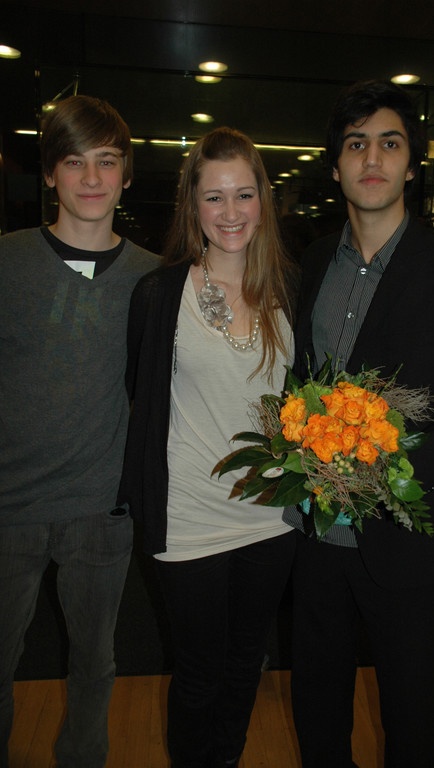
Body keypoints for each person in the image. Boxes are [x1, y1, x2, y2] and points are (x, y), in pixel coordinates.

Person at [282, 80, 434, 768]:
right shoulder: (313, 261)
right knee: (317, 710)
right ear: (335, 165)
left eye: (389, 143)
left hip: (407, 542)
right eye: (356, 144)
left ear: (411, 165)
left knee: (410, 722)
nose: (371, 158)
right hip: (314, 536)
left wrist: (382, 473)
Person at [118, 126, 296, 768]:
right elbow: (140, 393)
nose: (230, 212)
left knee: (247, 663)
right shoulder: (161, 294)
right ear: (192, 206)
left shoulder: (289, 291)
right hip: (190, 518)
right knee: (198, 673)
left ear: (263, 201)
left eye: (243, 194)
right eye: (213, 197)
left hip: (271, 519)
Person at [0, 95, 158, 768]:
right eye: (73, 162)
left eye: (107, 161)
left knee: (95, 663)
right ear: (49, 174)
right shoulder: (6, 263)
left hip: (101, 510)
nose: (91, 178)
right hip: (8, 508)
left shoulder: (155, 278)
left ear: (126, 175)